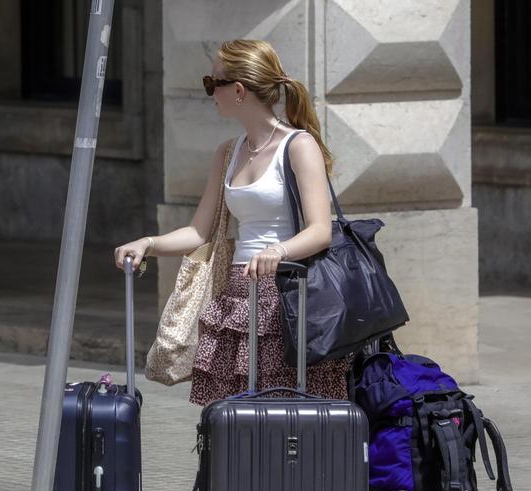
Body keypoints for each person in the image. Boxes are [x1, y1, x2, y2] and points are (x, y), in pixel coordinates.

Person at [114, 39, 353, 405]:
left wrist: (278, 250)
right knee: (233, 420)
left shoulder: (298, 145)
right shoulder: (228, 152)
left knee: (285, 418)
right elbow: (199, 231)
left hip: (287, 298)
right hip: (237, 298)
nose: (210, 92)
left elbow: (320, 230)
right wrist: (148, 243)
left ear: (238, 90)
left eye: (214, 83)